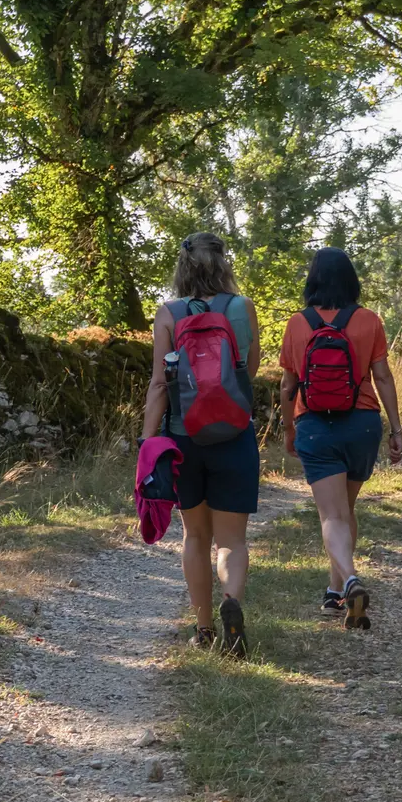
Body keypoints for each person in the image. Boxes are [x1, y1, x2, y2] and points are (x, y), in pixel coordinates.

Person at [142, 232, 263, 656]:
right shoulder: (242, 308)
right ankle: (232, 603)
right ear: (223, 263)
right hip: (234, 435)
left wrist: (147, 441)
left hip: (183, 437)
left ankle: (205, 629)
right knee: (231, 540)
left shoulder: (168, 314)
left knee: (194, 536)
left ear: (182, 266)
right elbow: (249, 370)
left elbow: (160, 381)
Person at [278, 248, 402, 629]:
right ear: (351, 279)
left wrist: (288, 428)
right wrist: (396, 430)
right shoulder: (369, 321)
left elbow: (288, 384)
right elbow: (382, 377)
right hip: (361, 423)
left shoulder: (298, 324)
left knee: (331, 515)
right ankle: (336, 593)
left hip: (315, 424)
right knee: (346, 510)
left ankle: (348, 579)